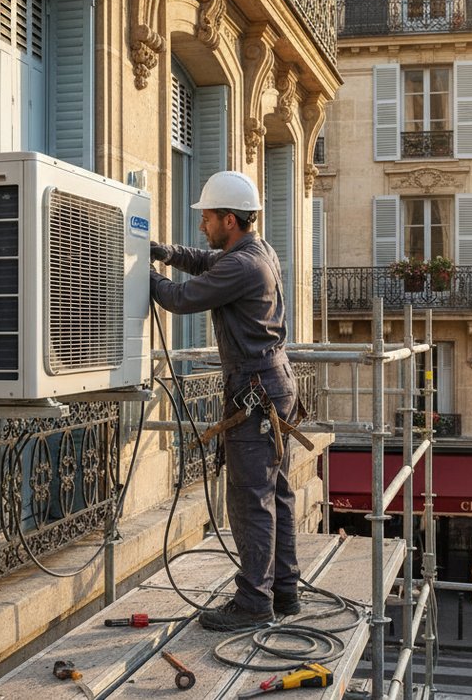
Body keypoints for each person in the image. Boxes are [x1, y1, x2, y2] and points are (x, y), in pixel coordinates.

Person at [148, 170, 301, 632]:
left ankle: (254, 601)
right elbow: (205, 261)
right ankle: (284, 591)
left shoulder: (242, 266)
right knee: (276, 493)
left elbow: (178, 297)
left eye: (208, 218)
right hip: (273, 386)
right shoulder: (258, 251)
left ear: (229, 220)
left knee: (250, 498)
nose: (202, 227)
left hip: (255, 394)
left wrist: (134, 270)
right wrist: (166, 253)